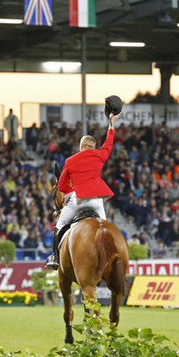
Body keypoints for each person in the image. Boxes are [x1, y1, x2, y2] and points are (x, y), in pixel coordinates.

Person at [45, 112, 121, 269]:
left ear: (81, 147)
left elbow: (61, 186)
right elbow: (108, 144)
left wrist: (69, 192)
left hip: (78, 199)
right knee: (105, 229)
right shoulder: (99, 155)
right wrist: (111, 124)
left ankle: (55, 258)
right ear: (93, 147)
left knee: (59, 226)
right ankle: (112, 258)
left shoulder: (70, 160)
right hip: (96, 201)